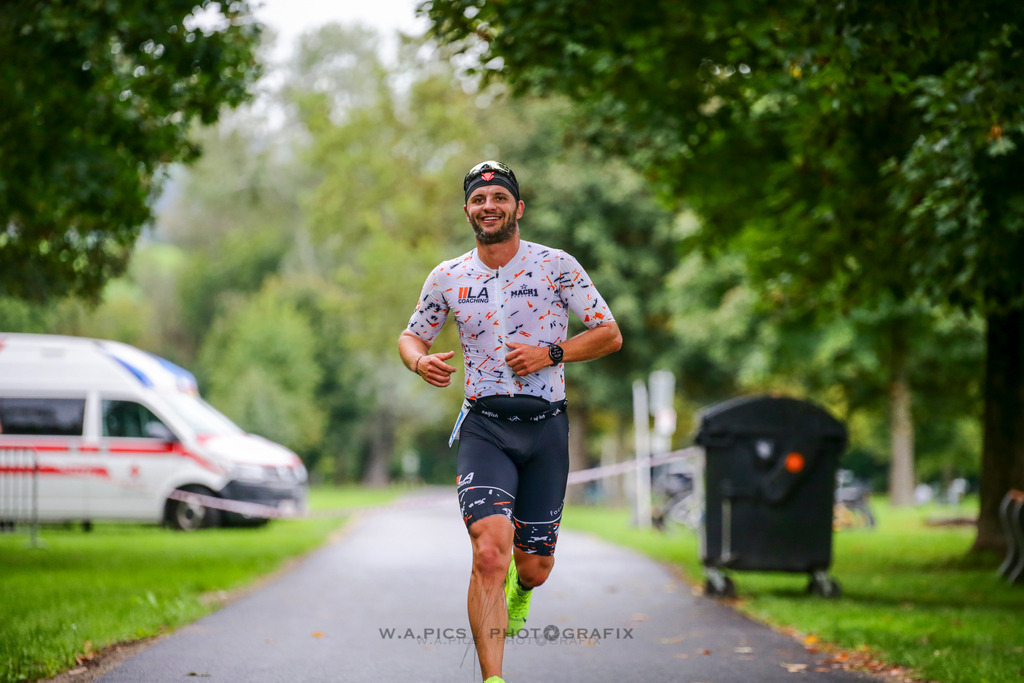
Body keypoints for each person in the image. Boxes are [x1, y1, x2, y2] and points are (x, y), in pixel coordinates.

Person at [398, 161, 622, 683]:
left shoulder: (557, 265)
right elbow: (413, 335)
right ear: (468, 211)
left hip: (546, 428)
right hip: (485, 429)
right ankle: (493, 680)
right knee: (489, 552)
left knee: (532, 568)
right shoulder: (447, 276)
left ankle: (523, 593)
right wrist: (418, 360)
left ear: (517, 208)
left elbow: (609, 334)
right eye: (479, 200)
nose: (489, 206)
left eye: (499, 197)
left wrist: (552, 352)